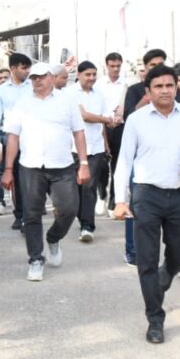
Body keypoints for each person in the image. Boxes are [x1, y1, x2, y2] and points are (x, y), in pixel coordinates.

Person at [114, 64, 180, 344]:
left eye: (169, 85)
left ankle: (166, 274)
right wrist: (120, 200)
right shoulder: (136, 120)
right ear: (149, 91)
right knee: (146, 259)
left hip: (179, 194)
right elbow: (124, 161)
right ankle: (155, 319)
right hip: (146, 196)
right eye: (159, 86)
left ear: (177, 87)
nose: (165, 90)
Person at [2, 62, 90, 282]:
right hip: (30, 166)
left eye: (41, 76)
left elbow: (79, 132)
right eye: (33, 78)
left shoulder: (67, 101)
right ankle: (35, 259)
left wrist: (84, 163)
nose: (37, 80)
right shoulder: (22, 103)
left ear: (51, 77)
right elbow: (13, 137)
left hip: (62, 165)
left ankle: (53, 237)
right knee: (31, 214)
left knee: (69, 209)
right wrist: (8, 169)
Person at [120, 49, 180, 265]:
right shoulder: (135, 90)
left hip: (170, 161)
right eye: (153, 65)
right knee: (136, 209)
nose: (164, 90)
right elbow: (128, 116)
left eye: (161, 63)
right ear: (145, 68)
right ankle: (133, 250)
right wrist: (147, 99)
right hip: (141, 162)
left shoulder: (172, 91)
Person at [68, 61, 111, 243]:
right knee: (75, 188)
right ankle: (82, 218)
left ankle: (87, 226)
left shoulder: (99, 95)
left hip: (96, 148)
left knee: (89, 187)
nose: (92, 78)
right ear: (78, 75)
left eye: (94, 74)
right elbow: (84, 116)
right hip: (73, 148)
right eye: (88, 74)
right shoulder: (70, 93)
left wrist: (106, 145)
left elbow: (104, 122)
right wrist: (106, 119)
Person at [0, 53, 33, 225]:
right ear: (13, 68)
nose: (27, 71)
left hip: (31, 138)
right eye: (24, 68)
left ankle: (31, 213)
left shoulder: (32, 86)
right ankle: (20, 216)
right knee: (16, 177)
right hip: (11, 139)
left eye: (28, 68)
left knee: (31, 177)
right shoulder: (2, 90)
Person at [96, 52, 127, 215]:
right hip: (102, 127)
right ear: (106, 66)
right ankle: (101, 194)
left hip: (121, 128)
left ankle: (113, 202)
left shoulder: (126, 84)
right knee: (102, 166)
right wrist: (106, 120)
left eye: (118, 66)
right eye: (112, 66)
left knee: (118, 166)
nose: (115, 69)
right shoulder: (99, 84)